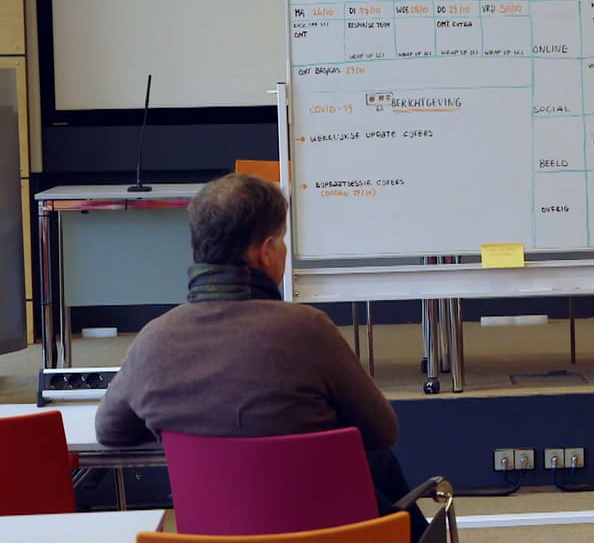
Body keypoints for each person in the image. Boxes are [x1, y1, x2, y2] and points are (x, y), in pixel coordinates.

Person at [94, 172, 427, 539]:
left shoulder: (153, 341)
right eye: (282, 239)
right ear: (266, 251)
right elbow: (382, 431)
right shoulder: (308, 330)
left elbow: (110, 431)